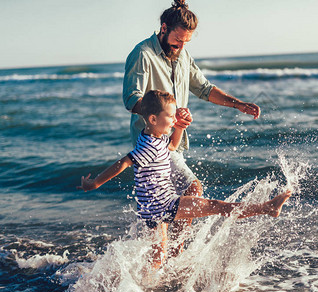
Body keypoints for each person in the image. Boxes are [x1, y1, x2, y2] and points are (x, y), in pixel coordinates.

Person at [79, 90, 291, 269]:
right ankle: (267, 208)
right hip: (164, 204)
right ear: (153, 119)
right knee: (218, 206)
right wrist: (95, 182)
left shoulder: (153, 136)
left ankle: (140, 287)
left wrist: (179, 127)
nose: (173, 119)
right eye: (170, 117)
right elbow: (124, 162)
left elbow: (171, 146)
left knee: (158, 257)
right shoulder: (148, 146)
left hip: (152, 209)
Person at [122, 0, 261, 256]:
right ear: (163, 28)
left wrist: (238, 104)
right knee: (192, 190)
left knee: (164, 216)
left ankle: (161, 261)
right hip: (153, 145)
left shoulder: (182, 54)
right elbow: (132, 99)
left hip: (173, 143)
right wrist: (169, 117)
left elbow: (204, 89)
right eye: (177, 40)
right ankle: (175, 257)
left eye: (186, 41)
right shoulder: (142, 54)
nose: (181, 46)